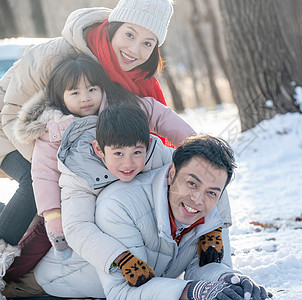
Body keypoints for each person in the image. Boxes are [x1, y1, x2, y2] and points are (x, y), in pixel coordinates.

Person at [0, 0, 229, 289]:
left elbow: (157, 118)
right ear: (112, 28)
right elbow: (11, 113)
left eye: (147, 43)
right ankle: (5, 262)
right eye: (129, 35)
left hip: (70, 136)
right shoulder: (57, 55)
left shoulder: (129, 82)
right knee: (40, 193)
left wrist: (197, 149)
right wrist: (64, 163)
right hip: (14, 129)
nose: (135, 50)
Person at [1, 54, 196, 293]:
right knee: (41, 241)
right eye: (74, 93)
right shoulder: (55, 128)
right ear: (61, 97)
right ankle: (11, 274)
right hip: (72, 198)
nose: (85, 98)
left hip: (119, 193)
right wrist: (53, 216)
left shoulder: (121, 108)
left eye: (92, 89)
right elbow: (43, 174)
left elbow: (159, 115)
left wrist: (195, 147)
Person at [31, 135, 271, 300]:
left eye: (211, 192)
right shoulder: (120, 204)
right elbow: (123, 292)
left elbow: (205, 268)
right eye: (191, 184)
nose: (198, 200)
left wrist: (228, 280)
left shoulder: (212, 208)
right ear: (172, 172)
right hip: (56, 284)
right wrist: (194, 292)